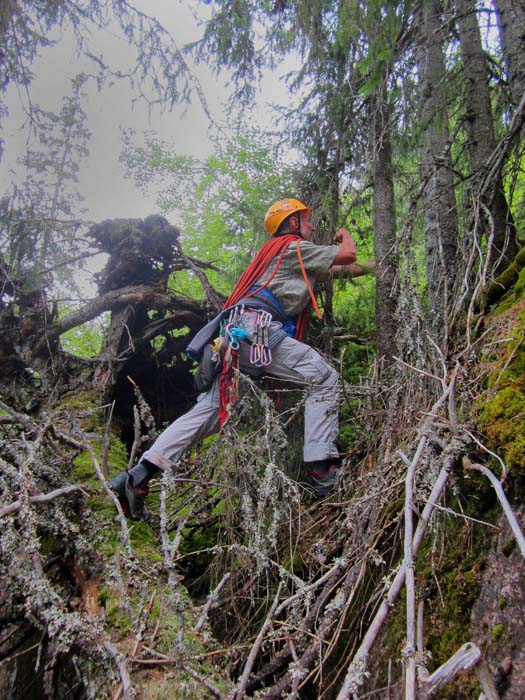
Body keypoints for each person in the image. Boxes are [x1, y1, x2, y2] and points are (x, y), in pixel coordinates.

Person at [109, 198, 375, 519]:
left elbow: (343, 268)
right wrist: (345, 234)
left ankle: (137, 477)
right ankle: (322, 467)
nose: (313, 226)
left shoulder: (290, 258)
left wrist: (381, 266)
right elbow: (348, 254)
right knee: (324, 377)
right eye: (307, 220)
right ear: (292, 224)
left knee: (207, 411)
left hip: (236, 336)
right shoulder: (291, 247)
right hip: (255, 329)